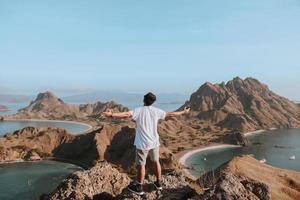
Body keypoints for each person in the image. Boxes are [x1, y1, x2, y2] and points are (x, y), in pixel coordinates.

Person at [102, 92, 190, 195]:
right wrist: (183, 112)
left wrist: (111, 114)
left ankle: (139, 186)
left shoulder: (138, 111)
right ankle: (158, 182)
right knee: (156, 161)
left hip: (142, 143)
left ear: (144, 99)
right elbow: (171, 114)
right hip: (154, 142)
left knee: (141, 165)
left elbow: (126, 114)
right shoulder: (156, 111)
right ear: (153, 102)